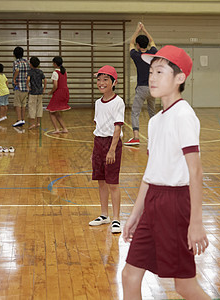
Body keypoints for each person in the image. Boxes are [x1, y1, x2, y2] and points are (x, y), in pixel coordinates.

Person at [121, 46, 209, 299]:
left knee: (184, 286)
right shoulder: (156, 119)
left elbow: (196, 172)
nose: (153, 77)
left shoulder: (184, 115)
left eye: (160, 71)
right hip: (153, 203)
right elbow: (151, 173)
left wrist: (196, 222)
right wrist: (136, 214)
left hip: (176, 204)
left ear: (180, 78)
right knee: (129, 275)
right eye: (151, 72)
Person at [89, 65, 125, 234]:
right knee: (101, 180)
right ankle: (104, 215)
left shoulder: (118, 102)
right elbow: (99, 125)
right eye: (99, 79)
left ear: (114, 82)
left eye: (105, 79)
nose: (101, 83)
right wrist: (95, 150)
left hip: (112, 143)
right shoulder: (98, 102)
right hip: (99, 142)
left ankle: (116, 218)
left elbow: (117, 128)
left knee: (112, 183)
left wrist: (111, 150)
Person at [124, 22, 157, 146]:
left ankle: (136, 137)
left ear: (138, 45)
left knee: (135, 112)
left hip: (142, 88)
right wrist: (145, 29)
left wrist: (138, 30)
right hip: (153, 88)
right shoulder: (153, 53)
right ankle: (154, 137)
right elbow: (152, 41)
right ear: (147, 44)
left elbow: (131, 43)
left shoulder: (137, 55)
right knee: (152, 113)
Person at [47, 56, 70, 134]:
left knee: (51, 111)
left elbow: (56, 86)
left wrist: (51, 92)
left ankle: (57, 129)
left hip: (59, 93)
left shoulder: (55, 72)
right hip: (65, 92)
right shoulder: (64, 71)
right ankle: (64, 128)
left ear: (55, 64)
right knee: (56, 112)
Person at [26, 56, 47, 130]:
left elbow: (28, 79)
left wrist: (27, 86)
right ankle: (38, 122)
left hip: (33, 92)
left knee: (32, 107)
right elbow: (45, 80)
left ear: (30, 64)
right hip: (40, 92)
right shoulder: (40, 71)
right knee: (39, 107)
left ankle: (32, 123)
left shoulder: (30, 72)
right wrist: (44, 88)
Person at [12, 46, 30, 127]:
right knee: (23, 104)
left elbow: (17, 70)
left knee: (17, 104)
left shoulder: (16, 62)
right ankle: (23, 119)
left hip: (18, 86)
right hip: (26, 86)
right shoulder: (27, 62)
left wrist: (14, 79)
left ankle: (19, 119)